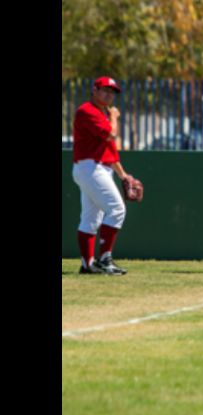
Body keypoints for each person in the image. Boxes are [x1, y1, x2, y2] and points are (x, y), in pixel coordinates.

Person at [72, 76, 130, 275]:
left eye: (112, 92)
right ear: (94, 90)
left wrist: (123, 176)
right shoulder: (87, 111)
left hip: (97, 168)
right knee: (117, 209)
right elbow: (110, 135)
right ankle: (105, 260)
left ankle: (88, 264)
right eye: (105, 90)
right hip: (90, 167)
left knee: (90, 219)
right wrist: (114, 117)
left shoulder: (101, 114)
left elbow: (110, 152)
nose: (109, 94)